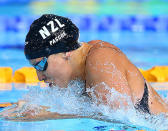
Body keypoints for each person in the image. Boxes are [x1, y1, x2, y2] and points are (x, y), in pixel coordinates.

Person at [0, 14, 168, 120]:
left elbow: (123, 118)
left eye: (41, 64)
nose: (39, 77)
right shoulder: (76, 72)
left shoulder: (100, 59)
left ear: (66, 52)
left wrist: (48, 115)